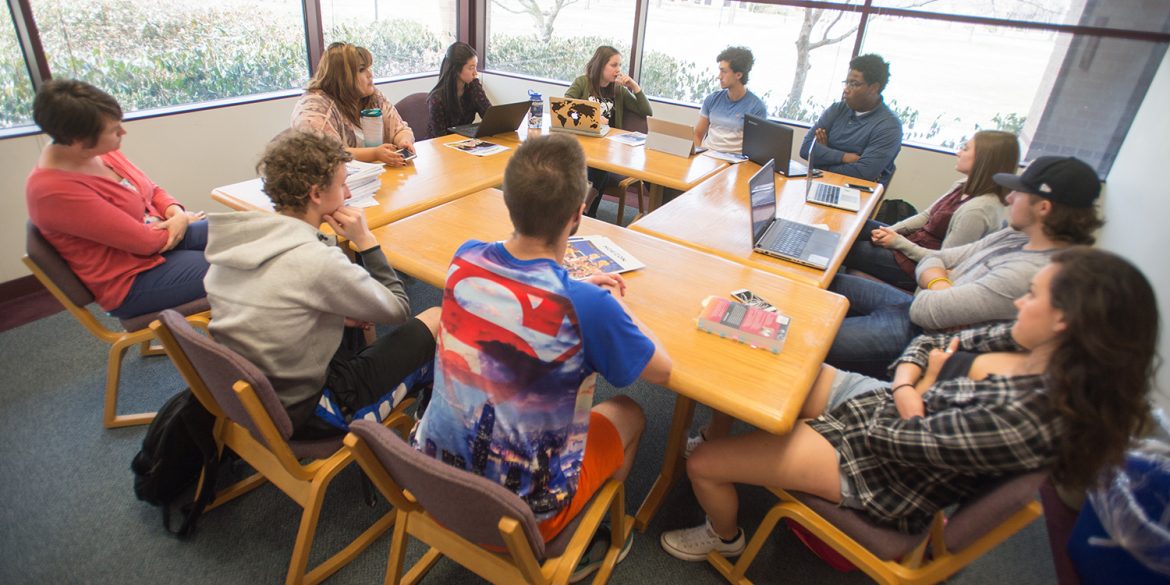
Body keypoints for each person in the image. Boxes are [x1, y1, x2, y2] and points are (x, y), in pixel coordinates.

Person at [661, 247, 1158, 561]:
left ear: (1064, 322)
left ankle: (723, 538)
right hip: (888, 407)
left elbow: (892, 441)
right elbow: (929, 345)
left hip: (881, 472)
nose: (1020, 303)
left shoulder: (1033, 418)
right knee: (762, 366)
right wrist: (910, 389)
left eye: (1033, 296)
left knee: (704, 465)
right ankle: (727, 433)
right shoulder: (1029, 344)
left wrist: (914, 387)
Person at [411, 134, 672, 576]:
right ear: (578, 214)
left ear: (508, 202)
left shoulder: (464, 258)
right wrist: (614, 308)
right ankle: (591, 536)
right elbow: (662, 371)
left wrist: (577, 293)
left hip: (433, 481)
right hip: (528, 513)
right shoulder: (589, 307)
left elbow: (517, 292)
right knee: (630, 411)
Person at [203, 131, 438, 438]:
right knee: (437, 318)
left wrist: (336, 316)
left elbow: (271, 301)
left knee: (352, 320)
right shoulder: (315, 260)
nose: (349, 195)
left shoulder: (241, 241)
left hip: (255, 399)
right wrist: (366, 242)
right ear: (316, 194)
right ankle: (429, 430)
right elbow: (398, 309)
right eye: (343, 184)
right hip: (314, 411)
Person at [825, 155, 1104, 379]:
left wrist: (935, 282)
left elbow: (926, 310)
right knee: (827, 281)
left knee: (810, 341)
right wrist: (942, 283)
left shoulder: (1032, 273)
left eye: (1018, 193)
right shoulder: (1016, 235)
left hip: (923, 337)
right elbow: (938, 258)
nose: (1008, 199)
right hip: (913, 306)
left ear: (1043, 207)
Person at [25, 79, 208, 320]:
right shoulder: (51, 191)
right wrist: (181, 221)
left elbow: (150, 190)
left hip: (163, 241)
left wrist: (175, 212)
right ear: (80, 140)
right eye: (114, 130)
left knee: (249, 234)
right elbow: (144, 243)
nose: (123, 132)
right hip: (133, 278)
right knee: (239, 264)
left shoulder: (98, 151)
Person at [844, 130, 1019, 290]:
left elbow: (944, 261)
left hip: (917, 265)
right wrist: (891, 230)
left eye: (965, 149)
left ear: (984, 159)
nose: (958, 153)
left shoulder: (978, 210)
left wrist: (897, 242)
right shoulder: (963, 185)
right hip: (912, 244)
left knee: (846, 248)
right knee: (853, 224)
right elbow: (926, 216)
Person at [291, 42, 415, 167]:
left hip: (373, 176)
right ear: (342, 76)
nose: (370, 74)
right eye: (362, 70)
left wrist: (403, 140)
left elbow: (400, 129)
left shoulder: (372, 97)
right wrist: (374, 154)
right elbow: (326, 154)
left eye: (369, 68)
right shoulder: (314, 106)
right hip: (331, 182)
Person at [566, 45, 653, 217]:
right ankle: (586, 214)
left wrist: (634, 87)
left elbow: (646, 112)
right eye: (614, 65)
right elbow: (566, 105)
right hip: (584, 143)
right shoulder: (582, 83)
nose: (618, 70)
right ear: (600, 65)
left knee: (598, 171)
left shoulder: (618, 90)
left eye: (620, 65)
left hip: (609, 147)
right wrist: (593, 116)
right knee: (596, 171)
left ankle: (586, 213)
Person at [799, 54, 902, 186]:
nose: (846, 90)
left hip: (856, 191)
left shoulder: (889, 127)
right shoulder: (837, 109)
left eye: (854, 84)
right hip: (818, 182)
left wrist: (822, 159)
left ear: (874, 88)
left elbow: (863, 173)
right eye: (847, 83)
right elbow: (805, 148)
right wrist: (844, 157)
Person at [693, 46, 767, 154]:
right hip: (706, 156)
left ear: (738, 75)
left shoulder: (756, 107)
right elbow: (697, 135)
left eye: (724, 71)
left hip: (734, 163)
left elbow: (755, 150)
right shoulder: (712, 99)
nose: (719, 76)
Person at [427, 41, 492, 139]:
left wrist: (476, 84)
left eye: (476, 67)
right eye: (471, 68)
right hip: (441, 148)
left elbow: (489, 118)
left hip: (465, 144)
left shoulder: (472, 89)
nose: (475, 73)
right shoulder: (436, 99)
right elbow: (439, 139)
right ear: (456, 70)